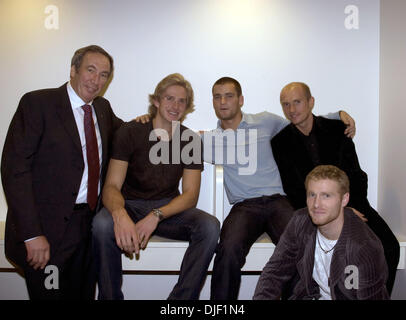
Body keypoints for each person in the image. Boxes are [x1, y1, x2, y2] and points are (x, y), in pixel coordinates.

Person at [135, 76, 355, 300]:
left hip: (278, 201)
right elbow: (170, 136)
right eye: (217, 97)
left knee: (299, 245)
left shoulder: (266, 121)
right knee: (228, 249)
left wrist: (338, 116)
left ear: (240, 100)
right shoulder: (209, 140)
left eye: (229, 96)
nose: (223, 102)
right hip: (245, 207)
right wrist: (148, 119)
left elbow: (301, 121)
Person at [1, 45, 123, 299]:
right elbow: (15, 170)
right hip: (47, 232)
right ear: (73, 70)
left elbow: (128, 137)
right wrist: (32, 234)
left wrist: (152, 120)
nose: (96, 79)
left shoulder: (102, 109)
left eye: (104, 75)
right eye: (91, 70)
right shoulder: (38, 103)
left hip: (87, 228)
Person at [92, 73, 220, 300]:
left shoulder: (189, 140)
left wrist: (156, 215)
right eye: (169, 98)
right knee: (102, 224)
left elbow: (190, 196)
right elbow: (111, 186)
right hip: (129, 204)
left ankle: (180, 303)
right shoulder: (130, 132)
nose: (175, 105)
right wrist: (120, 214)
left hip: (166, 209)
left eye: (182, 101)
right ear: (157, 101)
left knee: (209, 226)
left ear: (187, 107)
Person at [271, 82, 399, 295]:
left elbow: (355, 175)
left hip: (353, 204)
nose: (292, 109)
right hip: (314, 211)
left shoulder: (338, 129)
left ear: (311, 102)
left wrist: (346, 208)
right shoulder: (280, 142)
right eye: (286, 104)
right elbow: (293, 189)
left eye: (297, 102)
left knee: (389, 248)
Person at [253, 165, 389, 300]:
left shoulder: (364, 247)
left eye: (326, 196)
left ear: (344, 199)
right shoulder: (300, 221)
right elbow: (275, 272)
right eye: (312, 195)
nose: (316, 204)